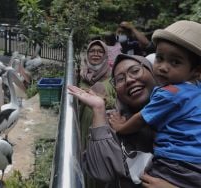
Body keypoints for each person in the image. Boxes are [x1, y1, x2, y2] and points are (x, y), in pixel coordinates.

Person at [110, 20, 201, 187]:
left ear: (196, 71)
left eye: (175, 62)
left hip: (175, 164)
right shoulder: (195, 89)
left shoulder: (170, 93)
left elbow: (141, 119)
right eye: (160, 58)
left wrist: (120, 127)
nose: (163, 67)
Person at [68, 54, 175, 187]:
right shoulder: (114, 121)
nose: (129, 80)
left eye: (135, 71)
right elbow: (102, 172)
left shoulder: (188, 115)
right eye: (119, 79)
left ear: (153, 73)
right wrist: (98, 109)